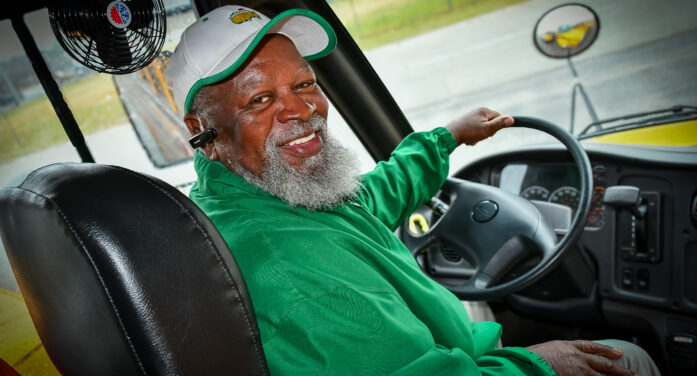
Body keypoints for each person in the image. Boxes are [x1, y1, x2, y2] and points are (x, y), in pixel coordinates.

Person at [165, 5, 659, 376]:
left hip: (459, 349)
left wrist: (447, 138)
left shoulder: (264, 192)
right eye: (261, 98)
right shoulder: (286, 266)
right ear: (203, 129)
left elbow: (367, 201)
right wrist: (543, 364)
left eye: (306, 83)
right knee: (631, 359)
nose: (302, 111)